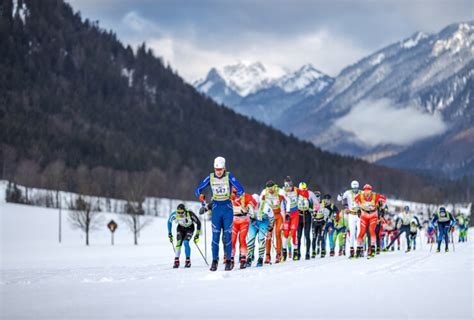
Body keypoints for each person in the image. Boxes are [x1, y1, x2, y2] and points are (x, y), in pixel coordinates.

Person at [195, 156, 244, 271]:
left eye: (220, 169)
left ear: (224, 168)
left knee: (227, 237)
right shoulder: (210, 177)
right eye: (217, 170)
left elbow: (241, 190)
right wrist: (202, 199)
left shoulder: (229, 176)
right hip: (216, 209)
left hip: (227, 208)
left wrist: (235, 195)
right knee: (215, 237)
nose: (218, 172)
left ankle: (228, 261)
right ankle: (214, 261)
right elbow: (197, 190)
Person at [354, 184, 386, 258]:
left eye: (368, 191)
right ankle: (358, 250)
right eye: (365, 191)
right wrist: (358, 209)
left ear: (371, 191)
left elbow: (384, 199)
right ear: (364, 191)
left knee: (371, 230)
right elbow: (355, 201)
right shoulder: (360, 196)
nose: (367, 193)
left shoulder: (375, 196)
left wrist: (382, 205)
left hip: (373, 215)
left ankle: (372, 249)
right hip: (364, 215)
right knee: (362, 231)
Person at [230, 187, 257, 269]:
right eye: (234, 193)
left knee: (242, 239)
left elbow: (254, 204)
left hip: (244, 220)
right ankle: (231, 259)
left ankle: (243, 259)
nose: (235, 195)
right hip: (234, 221)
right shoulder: (229, 197)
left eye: (237, 193)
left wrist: (249, 206)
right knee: (232, 240)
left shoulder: (246, 196)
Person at [168, 204, 201, 268]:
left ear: (185, 211)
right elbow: (169, 222)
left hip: (190, 229)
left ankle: (188, 261)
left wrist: (197, 234)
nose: (180, 214)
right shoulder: (174, 214)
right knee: (178, 243)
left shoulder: (190, 214)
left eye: (182, 212)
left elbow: (198, 223)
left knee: (186, 242)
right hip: (180, 228)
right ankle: (176, 261)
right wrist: (169, 233)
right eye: (178, 212)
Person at [260, 180, 285, 264]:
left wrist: (287, 214)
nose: (270, 190)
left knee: (278, 234)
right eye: (268, 188)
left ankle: (278, 254)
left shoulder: (280, 191)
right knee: (268, 235)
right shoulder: (264, 192)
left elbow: (288, 201)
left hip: (278, 215)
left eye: (271, 188)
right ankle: (267, 256)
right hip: (269, 217)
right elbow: (261, 204)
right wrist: (261, 214)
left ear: (275, 186)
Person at [246, 195, 275, 267]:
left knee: (261, 238)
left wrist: (270, 227)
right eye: (252, 203)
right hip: (253, 223)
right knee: (250, 238)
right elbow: (246, 214)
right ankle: (249, 257)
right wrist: (250, 218)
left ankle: (260, 258)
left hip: (263, 222)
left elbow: (271, 216)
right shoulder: (249, 205)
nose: (253, 205)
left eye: (255, 203)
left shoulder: (265, 207)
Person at [296, 182, 320, 260]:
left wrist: (315, 211)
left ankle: (307, 253)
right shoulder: (296, 193)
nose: (304, 190)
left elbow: (317, 204)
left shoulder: (310, 194)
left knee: (306, 235)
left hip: (307, 215)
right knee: (298, 236)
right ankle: (298, 253)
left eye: (305, 189)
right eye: (302, 189)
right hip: (298, 216)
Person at [280, 176, 300, 262]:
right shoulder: (283, 191)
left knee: (294, 231)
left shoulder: (296, 190)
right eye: (286, 186)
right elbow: (279, 203)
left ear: (292, 185)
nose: (287, 188)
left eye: (289, 186)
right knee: (285, 233)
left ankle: (296, 252)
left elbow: (306, 194)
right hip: (286, 214)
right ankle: (284, 252)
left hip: (295, 214)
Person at [339, 180, 361, 258]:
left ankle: (359, 249)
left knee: (359, 233)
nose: (355, 190)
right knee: (352, 233)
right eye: (354, 188)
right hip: (351, 214)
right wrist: (341, 195)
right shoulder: (348, 192)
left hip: (359, 215)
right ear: (352, 187)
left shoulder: (361, 192)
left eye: (356, 188)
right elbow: (339, 198)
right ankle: (352, 250)